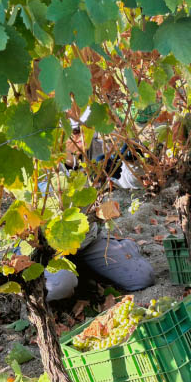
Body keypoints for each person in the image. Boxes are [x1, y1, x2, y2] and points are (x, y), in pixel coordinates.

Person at [43, 113, 154, 301]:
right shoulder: (43, 161)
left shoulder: (95, 146)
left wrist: (134, 162)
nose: (82, 136)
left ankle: (95, 262)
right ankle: (69, 274)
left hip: (88, 240)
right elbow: (53, 217)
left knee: (143, 277)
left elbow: (129, 182)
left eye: (87, 129)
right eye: (76, 131)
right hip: (51, 249)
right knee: (60, 286)